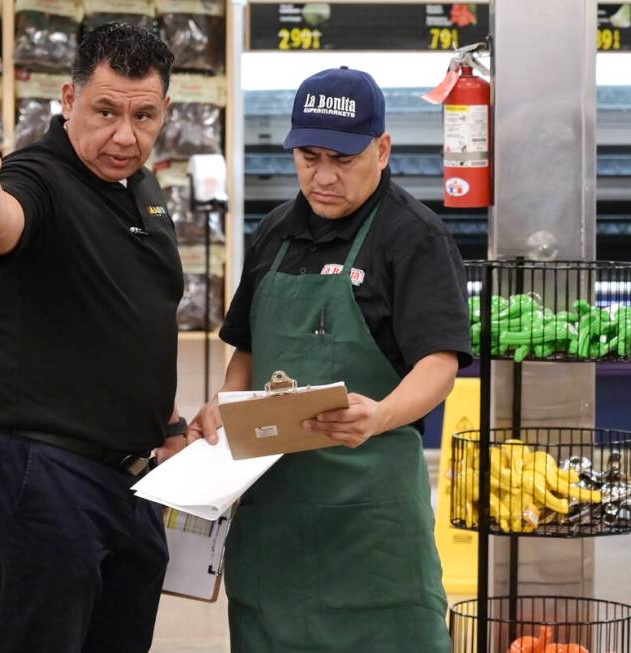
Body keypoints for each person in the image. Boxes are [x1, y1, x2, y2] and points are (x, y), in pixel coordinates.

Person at [190, 67, 472, 652]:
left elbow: (440, 363)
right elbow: (246, 346)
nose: (322, 176)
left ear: (383, 149)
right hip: (273, 517)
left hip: (370, 524)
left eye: (342, 159)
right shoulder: (275, 232)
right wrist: (225, 402)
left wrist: (381, 414)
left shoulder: (414, 237)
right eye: (309, 156)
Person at [0, 24, 190, 653]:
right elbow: (3, 224)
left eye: (144, 116)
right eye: (105, 111)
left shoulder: (141, 189)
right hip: (43, 469)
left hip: (130, 479)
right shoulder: (38, 176)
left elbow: (132, 320)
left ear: (166, 112)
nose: (124, 135)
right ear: (67, 99)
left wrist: (166, 423)